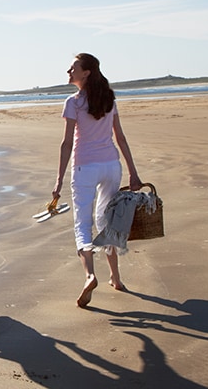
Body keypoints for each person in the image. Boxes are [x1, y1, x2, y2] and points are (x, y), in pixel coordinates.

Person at [50, 53, 143, 308]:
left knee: (83, 223)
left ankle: (90, 275)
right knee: (107, 220)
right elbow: (121, 138)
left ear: (86, 72)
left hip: (85, 168)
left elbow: (67, 143)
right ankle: (115, 277)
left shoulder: (73, 102)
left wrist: (58, 180)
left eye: (73, 67)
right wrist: (133, 172)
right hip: (111, 166)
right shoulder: (109, 99)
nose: (69, 70)